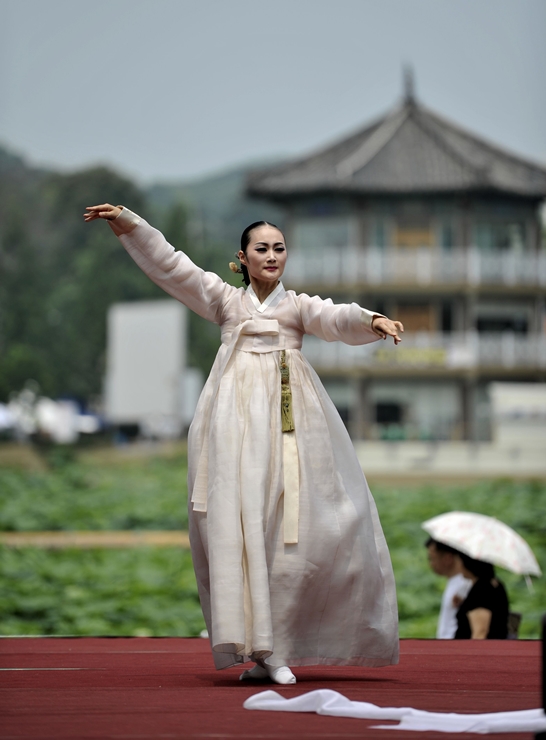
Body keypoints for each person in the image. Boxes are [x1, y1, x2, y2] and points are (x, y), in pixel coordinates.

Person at [84, 203, 403, 684]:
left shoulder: (297, 307)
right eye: (262, 248)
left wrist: (373, 321)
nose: (272, 256)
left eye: (279, 248)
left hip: (292, 426)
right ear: (243, 258)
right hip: (233, 427)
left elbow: (335, 316)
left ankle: (279, 645)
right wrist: (130, 223)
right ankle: (263, 652)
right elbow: (174, 266)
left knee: (307, 531)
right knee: (239, 530)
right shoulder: (225, 301)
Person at [425, 537, 472, 639]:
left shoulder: (465, 584)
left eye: (432, 558)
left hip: (455, 644)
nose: (431, 564)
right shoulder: (454, 582)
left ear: (448, 558)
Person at [455, 553, 509, 640]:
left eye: (460, 561)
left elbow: (480, 632)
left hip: (478, 647)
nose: (458, 565)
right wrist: (464, 603)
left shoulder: (482, 589)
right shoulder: (493, 584)